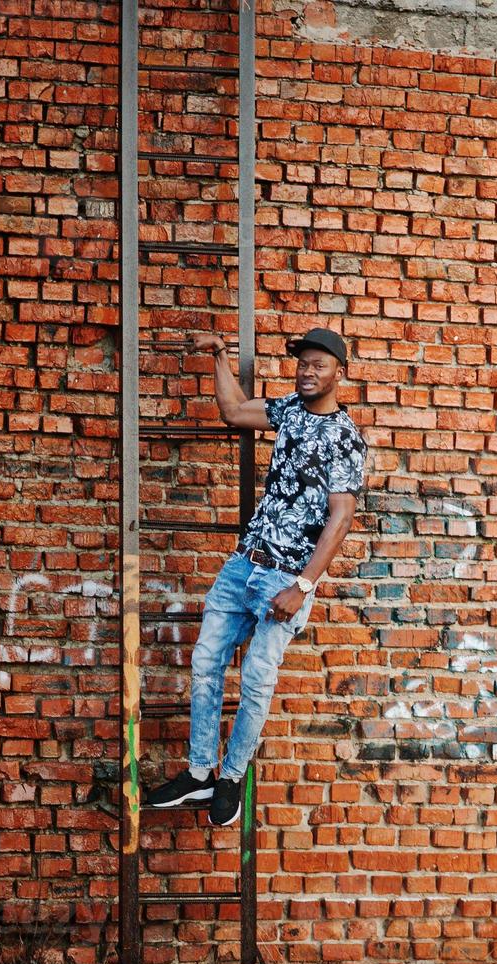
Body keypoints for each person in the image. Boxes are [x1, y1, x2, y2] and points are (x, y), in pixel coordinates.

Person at [144, 328, 366, 825]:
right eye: (303, 364)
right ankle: (199, 775)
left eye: (318, 365)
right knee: (205, 662)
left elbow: (341, 518)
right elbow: (234, 411)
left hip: (286, 577)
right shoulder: (288, 410)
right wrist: (222, 356)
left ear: (339, 373)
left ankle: (230, 778)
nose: (308, 372)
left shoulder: (345, 438)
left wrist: (302, 586)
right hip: (244, 563)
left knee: (256, 682)